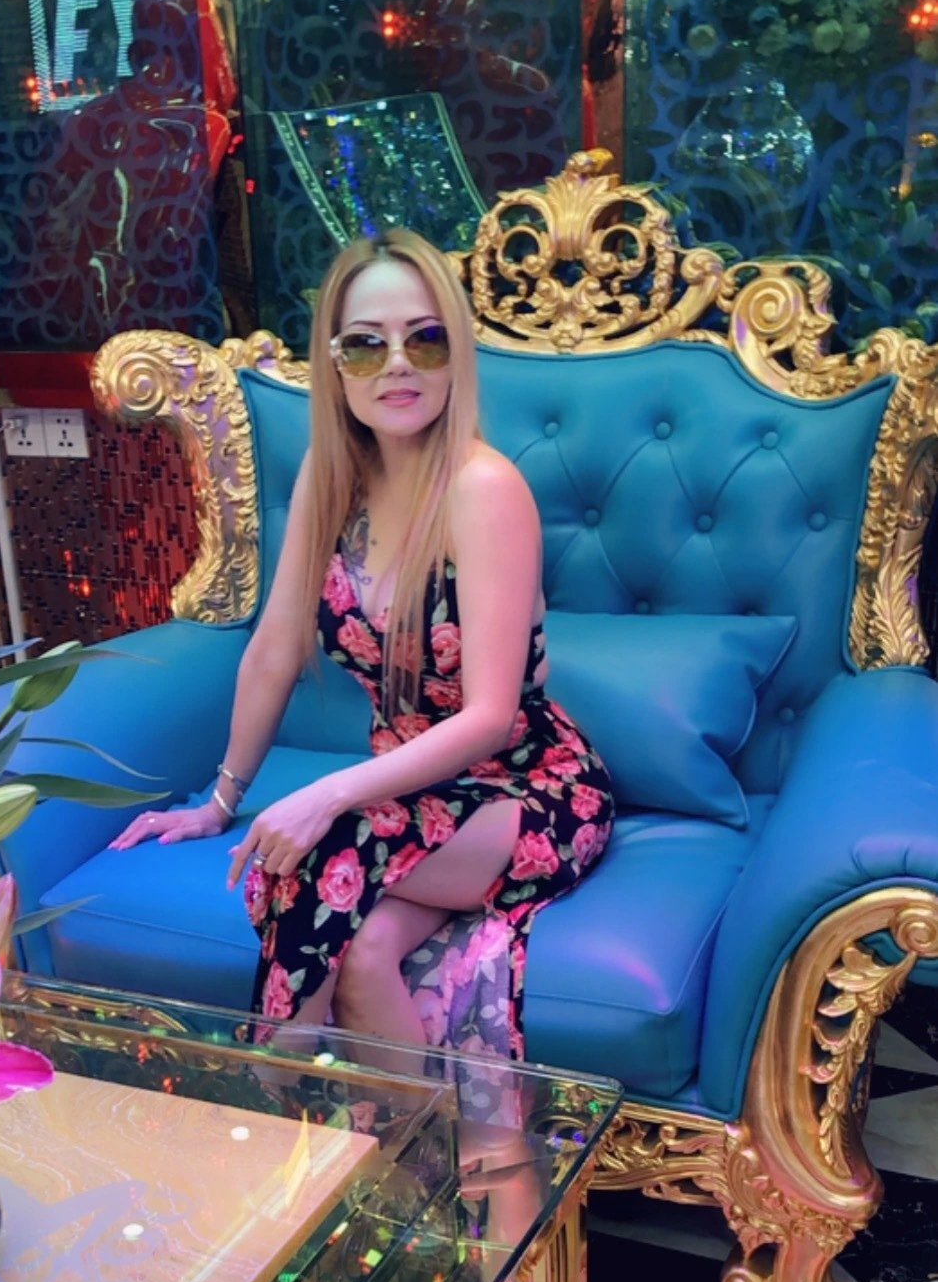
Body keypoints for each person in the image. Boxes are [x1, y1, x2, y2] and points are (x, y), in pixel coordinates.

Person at [110, 226, 614, 1057]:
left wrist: (328, 795)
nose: (398, 365)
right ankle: (406, 1134)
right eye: (367, 345)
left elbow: (489, 717)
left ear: (456, 353)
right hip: (408, 800)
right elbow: (275, 647)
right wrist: (221, 803)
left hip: (526, 794)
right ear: (335, 363)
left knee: (315, 852)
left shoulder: (484, 489)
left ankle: (272, 1077)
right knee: (365, 951)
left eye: (425, 339)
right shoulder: (332, 474)